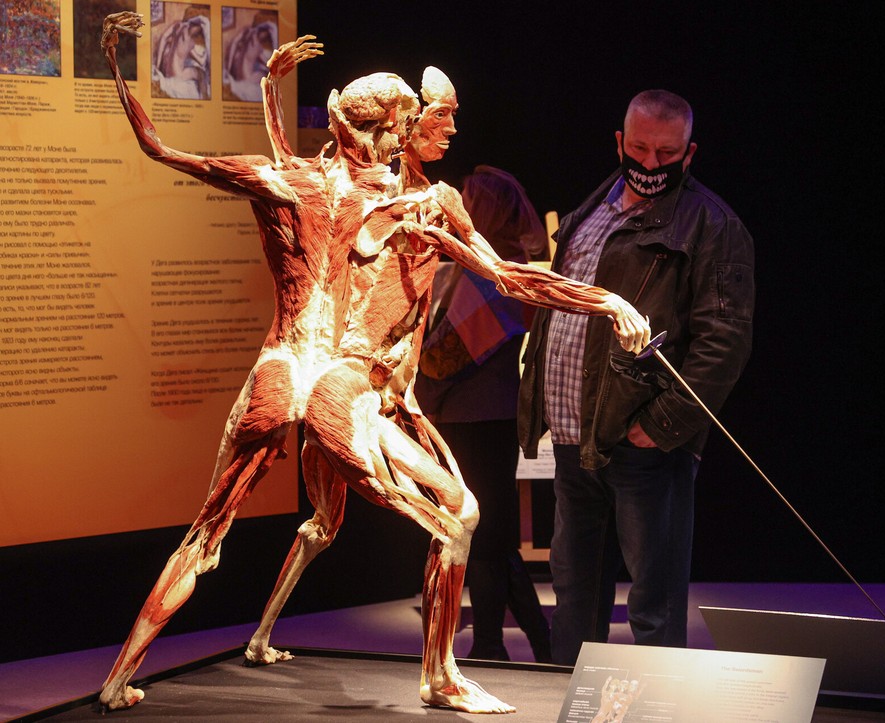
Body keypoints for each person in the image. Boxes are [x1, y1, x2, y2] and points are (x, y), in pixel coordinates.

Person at [97, 15, 649, 713]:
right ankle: (440, 676)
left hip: (280, 371)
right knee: (458, 515)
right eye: (404, 126)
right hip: (345, 386)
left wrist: (117, 62)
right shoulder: (417, 206)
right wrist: (607, 300)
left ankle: (121, 676)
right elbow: (510, 278)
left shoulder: (288, 178)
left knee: (215, 530)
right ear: (383, 132)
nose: (412, 136)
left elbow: (159, 148)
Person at [518, 89, 755, 666]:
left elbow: (723, 343)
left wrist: (662, 425)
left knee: (654, 603)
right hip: (575, 438)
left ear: (689, 153)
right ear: (620, 142)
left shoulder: (713, 224)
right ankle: (569, 700)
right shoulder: (592, 208)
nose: (651, 163)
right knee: (574, 598)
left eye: (666, 153)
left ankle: (659, 704)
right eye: (641, 149)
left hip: (643, 445)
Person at [415, 165, 552, 663]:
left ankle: (496, 643)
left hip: (476, 420)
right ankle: (530, 641)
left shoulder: (494, 273)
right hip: (475, 418)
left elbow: (442, 357)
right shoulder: (486, 265)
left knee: (483, 535)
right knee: (489, 536)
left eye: (465, 199)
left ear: (483, 210)